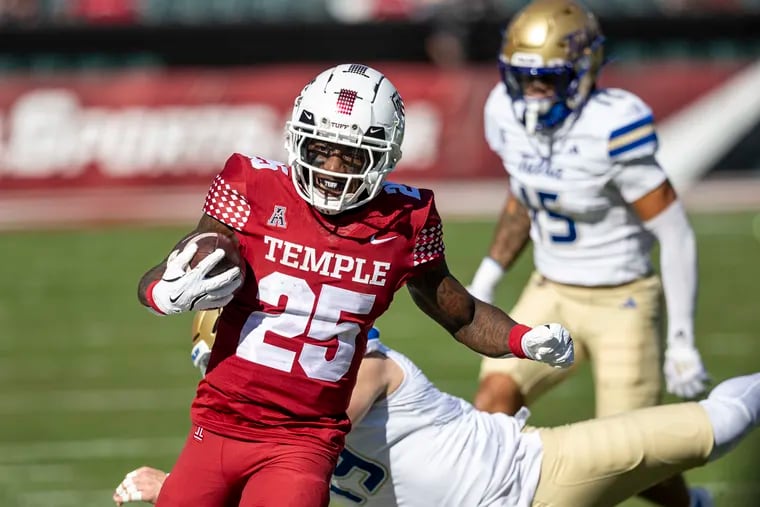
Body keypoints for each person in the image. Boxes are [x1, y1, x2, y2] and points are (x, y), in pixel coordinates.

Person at [135, 63, 575, 507]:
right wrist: (162, 293)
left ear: (384, 157)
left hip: (303, 441)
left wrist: (522, 338)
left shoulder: (407, 220)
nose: (331, 168)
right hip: (218, 423)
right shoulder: (250, 184)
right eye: (322, 148)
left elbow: (461, 312)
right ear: (298, 136)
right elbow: (171, 266)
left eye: (352, 155)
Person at [114, 314, 760, 507]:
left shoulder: (354, 366)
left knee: (720, 427)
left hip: (532, 478)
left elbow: (305, 440)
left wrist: (183, 485)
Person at [465, 1, 710, 505]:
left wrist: (681, 338)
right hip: (551, 290)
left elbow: (676, 232)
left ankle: (694, 504)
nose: (532, 92)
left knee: (633, 459)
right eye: (523, 76)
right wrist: (488, 275)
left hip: (622, 301)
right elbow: (524, 197)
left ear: (583, 71)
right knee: (492, 404)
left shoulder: (612, 126)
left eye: (548, 79)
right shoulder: (503, 114)